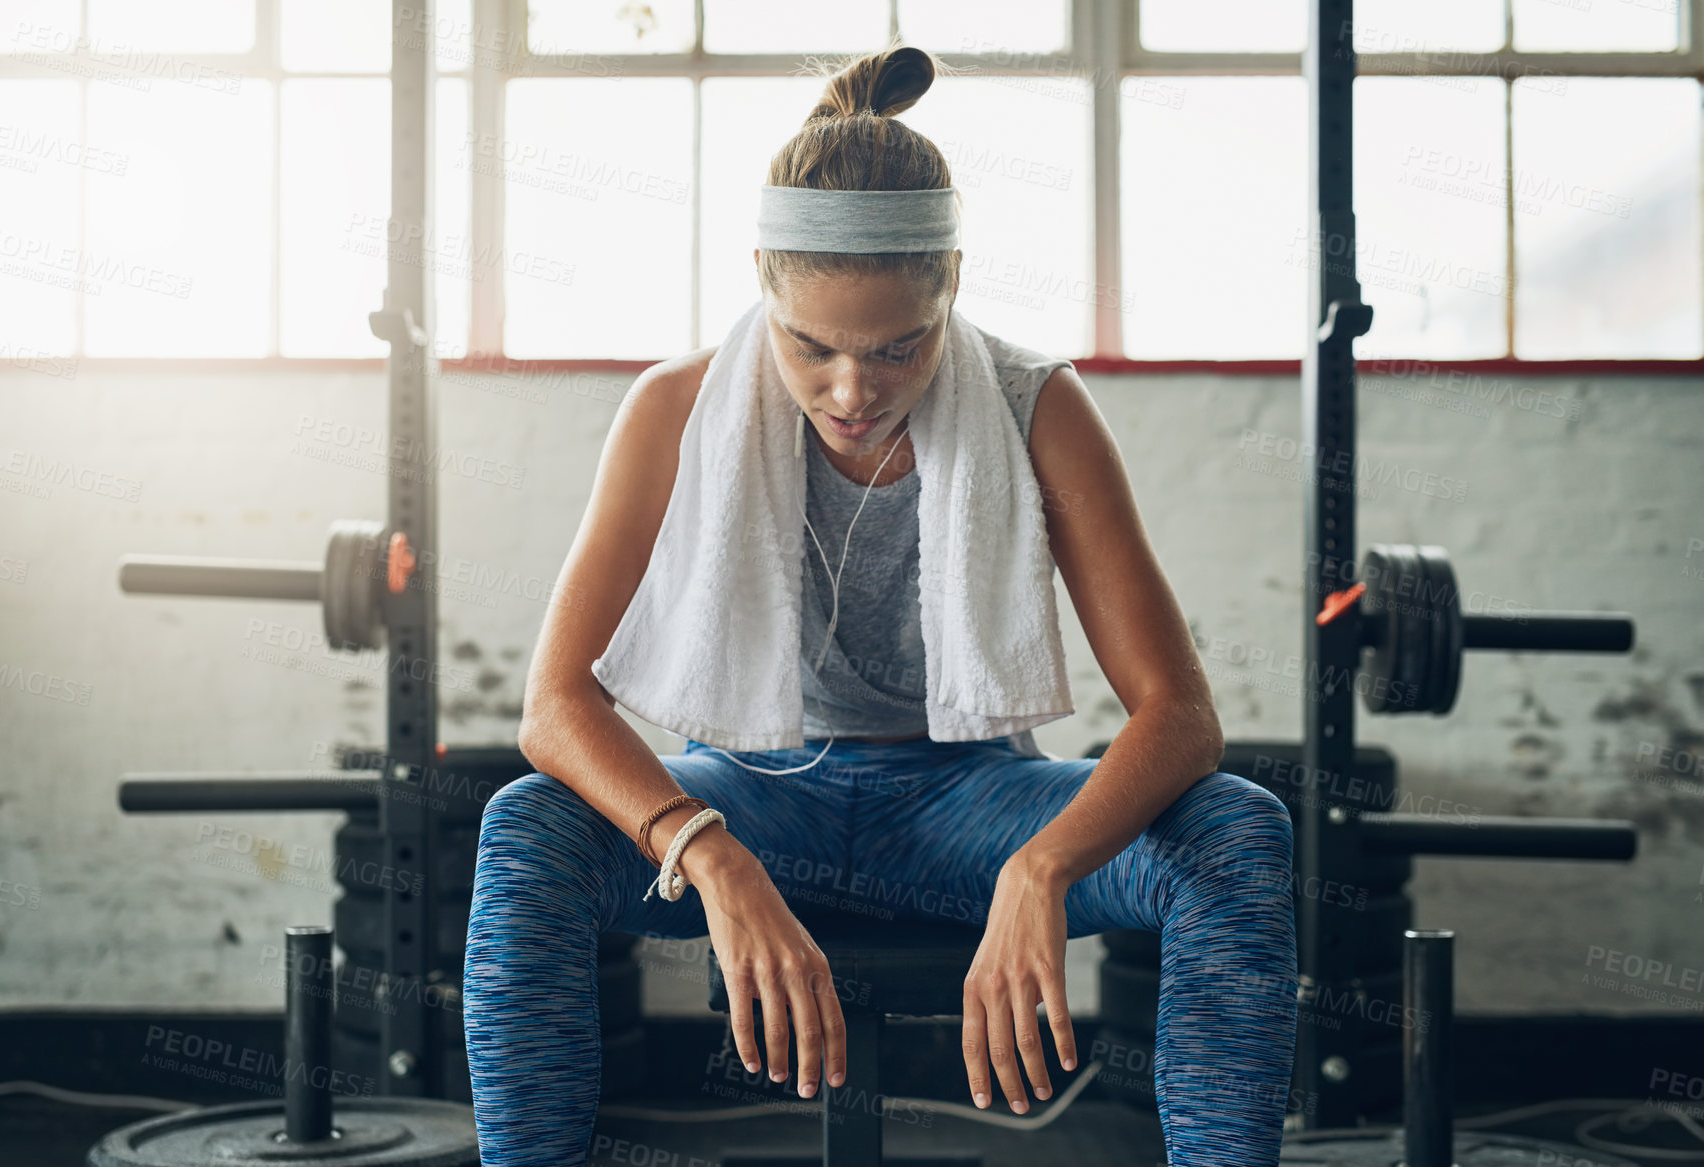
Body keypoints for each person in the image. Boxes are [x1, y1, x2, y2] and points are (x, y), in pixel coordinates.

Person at [463, 42, 1297, 1167]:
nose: (853, 391)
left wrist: (1040, 866)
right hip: (753, 796)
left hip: (967, 803)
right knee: (525, 826)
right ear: (762, 276)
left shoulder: (1037, 409)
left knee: (1236, 829)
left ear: (951, 281)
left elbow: (1181, 719)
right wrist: (710, 854)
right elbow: (554, 709)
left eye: (900, 349)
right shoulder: (671, 410)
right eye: (812, 348)